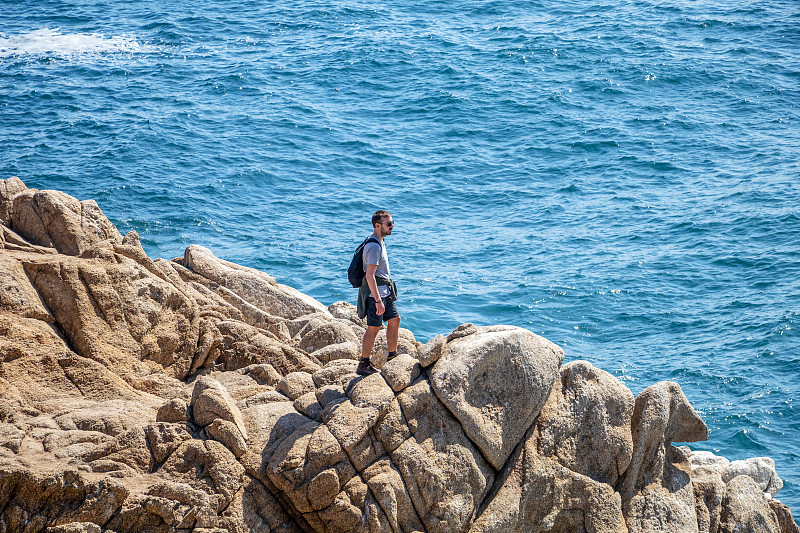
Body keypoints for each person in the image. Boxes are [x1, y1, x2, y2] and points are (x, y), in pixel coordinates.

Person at [356, 210, 400, 376]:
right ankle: (363, 363)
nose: (392, 226)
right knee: (373, 328)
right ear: (377, 225)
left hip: (385, 292)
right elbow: (369, 275)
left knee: (395, 319)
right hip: (377, 295)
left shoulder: (379, 241)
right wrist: (377, 300)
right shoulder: (374, 246)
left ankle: (392, 355)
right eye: (389, 223)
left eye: (391, 222)